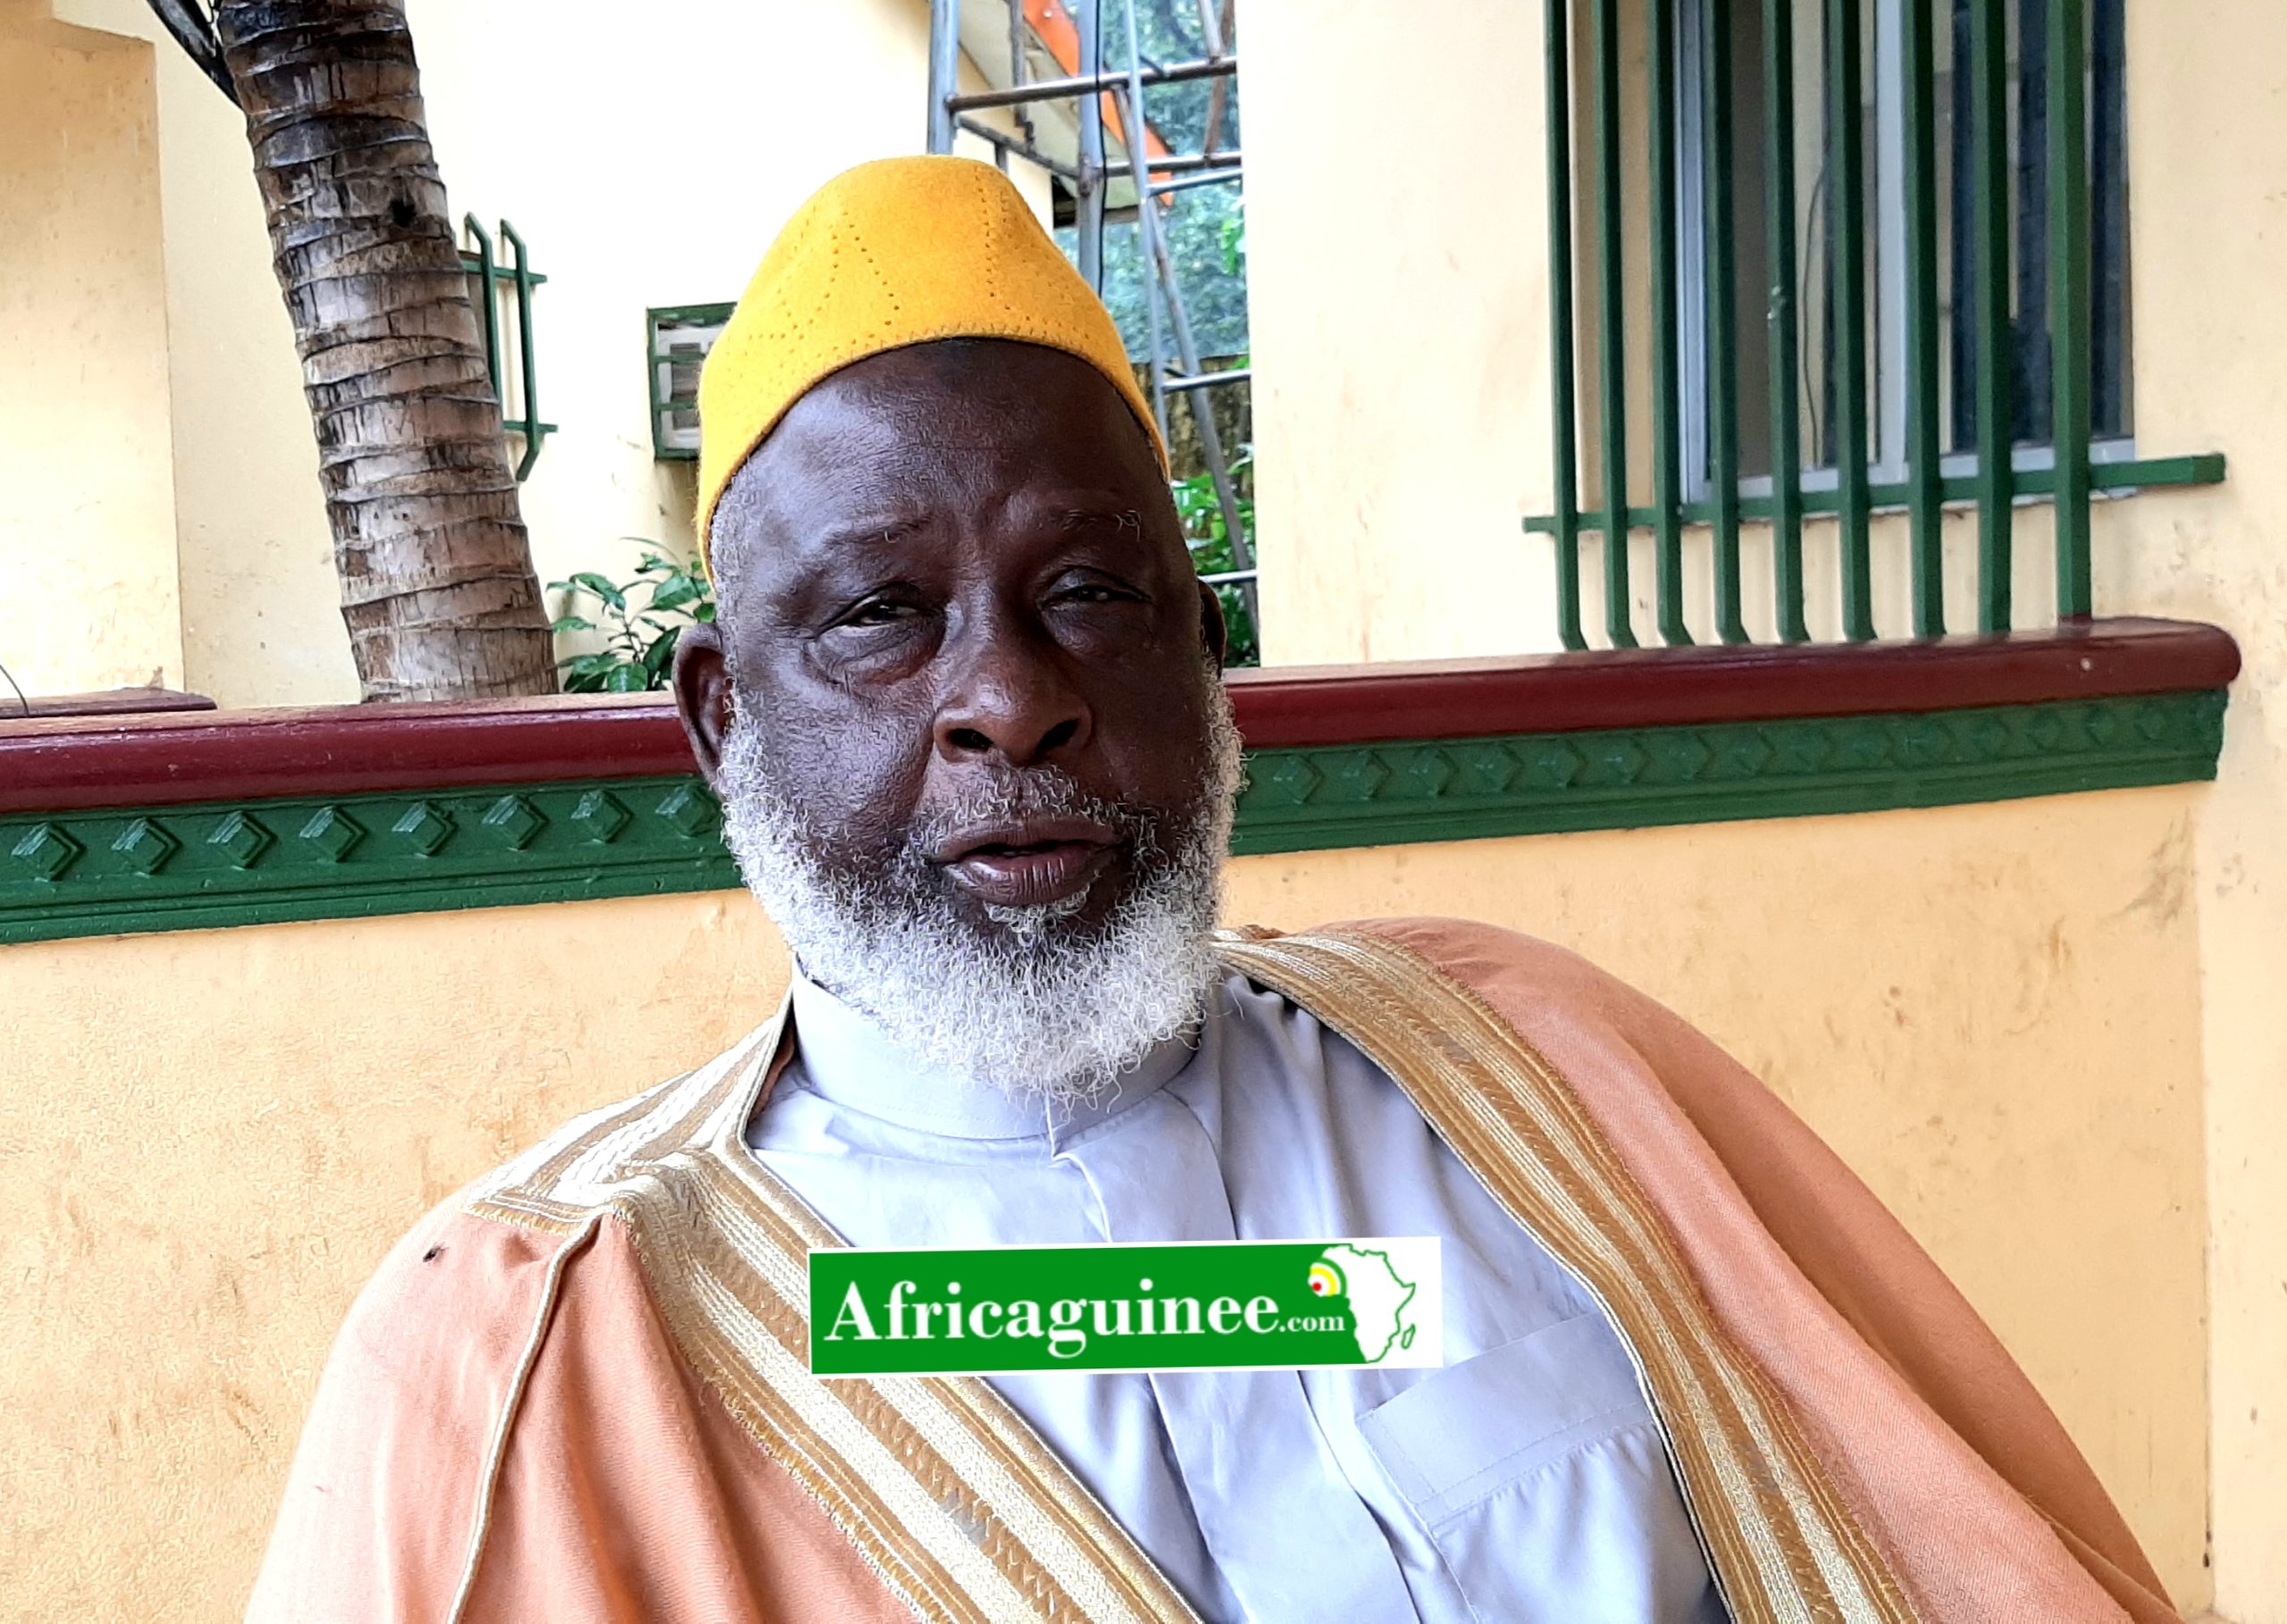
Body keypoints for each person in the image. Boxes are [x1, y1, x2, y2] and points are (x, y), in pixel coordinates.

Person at [248, 157, 2174, 1624]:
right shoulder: (536, 1344)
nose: (1010, 696)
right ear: (716, 716)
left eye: (1089, 593)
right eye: (877, 618)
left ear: (1201, 657)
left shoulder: (1534, 1081)